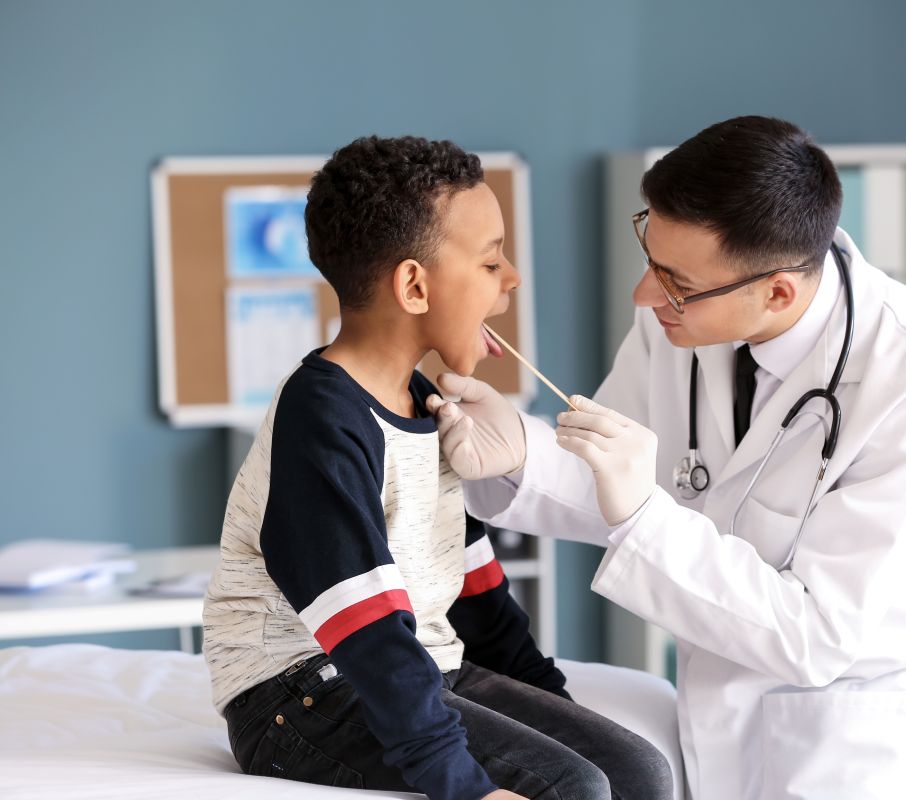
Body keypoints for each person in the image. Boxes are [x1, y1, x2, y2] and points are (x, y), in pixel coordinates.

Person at [428, 116, 906, 799]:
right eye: (650, 258)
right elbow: (612, 468)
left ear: (777, 290)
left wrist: (642, 514)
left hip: (851, 732)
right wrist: (520, 451)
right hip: (717, 705)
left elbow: (816, 635)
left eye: (674, 281)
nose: (643, 295)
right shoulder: (682, 311)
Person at [202, 135, 673, 800]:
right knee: (575, 787)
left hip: (421, 667)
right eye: (490, 262)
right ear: (414, 286)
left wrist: (560, 716)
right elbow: (365, 631)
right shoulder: (322, 418)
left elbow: (475, 597)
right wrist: (462, 785)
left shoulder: (431, 405)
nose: (511, 279)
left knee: (637, 770)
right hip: (299, 693)